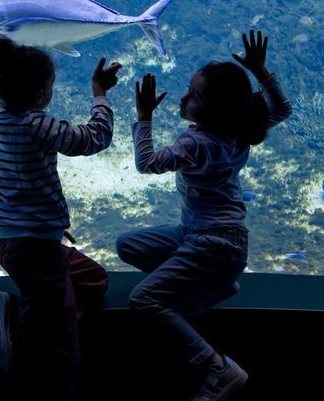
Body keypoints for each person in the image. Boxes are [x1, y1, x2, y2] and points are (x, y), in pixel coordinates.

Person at [118, 30, 292, 401]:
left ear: (216, 111)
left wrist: (144, 117)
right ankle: (214, 286)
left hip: (211, 245)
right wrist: (260, 71)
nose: (183, 98)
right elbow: (280, 109)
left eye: (194, 96)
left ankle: (217, 367)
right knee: (128, 245)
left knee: (143, 300)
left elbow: (146, 163)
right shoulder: (241, 131)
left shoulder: (195, 143)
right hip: (211, 239)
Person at [0, 36, 121, 399]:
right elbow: (94, 138)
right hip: (35, 250)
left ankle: (34, 306)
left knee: (94, 280)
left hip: (13, 242)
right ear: (41, 93)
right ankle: (22, 334)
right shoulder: (36, 124)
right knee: (57, 349)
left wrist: (46, 221)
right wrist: (100, 93)